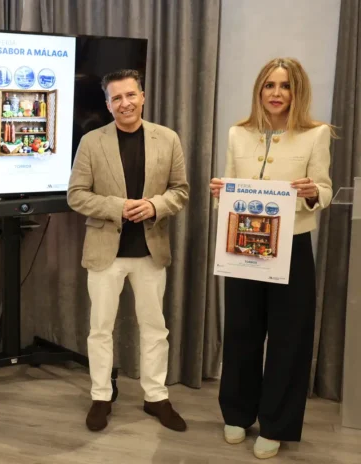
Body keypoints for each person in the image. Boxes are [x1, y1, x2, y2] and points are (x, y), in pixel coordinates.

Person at [210, 58, 333, 460]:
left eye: (285, 86)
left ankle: (276, 423)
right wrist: (221, 193)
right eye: (269, 85)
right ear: (259, 91)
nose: (276, 93)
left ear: (297, 92)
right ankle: (237, 413)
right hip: (242, 243)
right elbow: (228, 185)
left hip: (291, 247)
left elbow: (324, 190)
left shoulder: (316, 134)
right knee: (241, 331)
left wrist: (312, 192)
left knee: (288, 338)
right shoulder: (238, 133)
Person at [67, 69, 190, 433]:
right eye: (117, 98)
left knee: (155, 328)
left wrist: (154, 206)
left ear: (143, 96)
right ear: (108, 105)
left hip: (151, 251)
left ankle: (156, 397)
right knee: (100, 330)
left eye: (131, 95)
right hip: (105, 251)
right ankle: (101, 396)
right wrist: (116, 207)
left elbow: (180, 191)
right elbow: (76, 195)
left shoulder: (168, 139)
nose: (125, 103)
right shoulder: (91, 142)